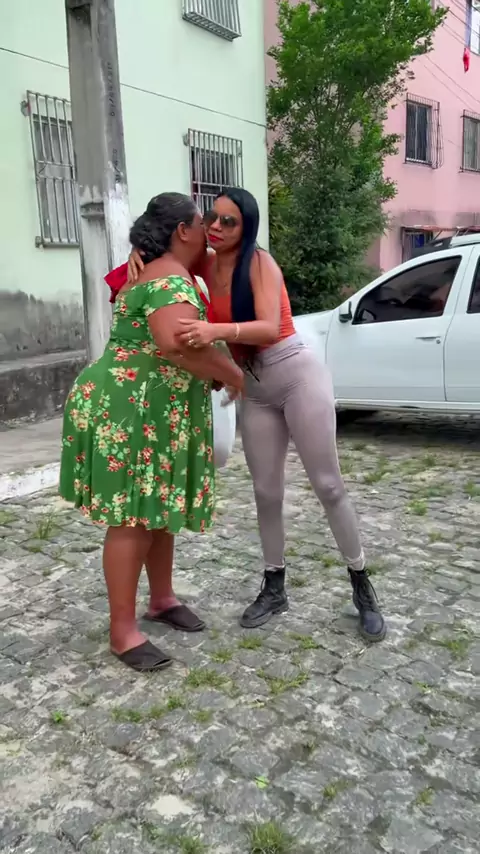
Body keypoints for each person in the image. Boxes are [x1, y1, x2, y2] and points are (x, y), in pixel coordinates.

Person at [127, 188, 386, 643]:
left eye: (229, 221)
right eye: (213, 217)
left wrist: (216, 330)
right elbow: (165, 250)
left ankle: (362, 584)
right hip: (255, 387)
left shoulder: (259, 263)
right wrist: (138, 251)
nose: (216, 227)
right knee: (266, 492)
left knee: (328, 485)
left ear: (246, 228)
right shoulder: (206, 263)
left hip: (295, 373)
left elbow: (268, 326)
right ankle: (274, 585)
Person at [59, 192, 244, 672]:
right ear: (182, 230)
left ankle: (161, 599)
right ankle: (122, 632)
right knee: (133, 519)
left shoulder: (161, 269)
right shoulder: (168, 278)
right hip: (134, 410)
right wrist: (231, 373)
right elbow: (174, 342)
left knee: (157, 508)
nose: (209, 232)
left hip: (150, 406)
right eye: (202, 223)